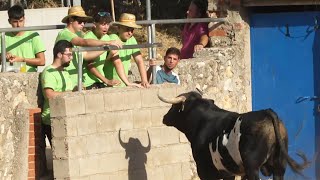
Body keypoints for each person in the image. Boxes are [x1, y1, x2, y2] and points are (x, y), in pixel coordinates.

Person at [56, 6, 122, 87]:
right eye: (80, 21)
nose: (83, 24)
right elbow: (84, 42)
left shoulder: (79, 34)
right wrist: (108, 42)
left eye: (85, 21)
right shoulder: (65, 33)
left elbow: (86, 56)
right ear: (71, 20)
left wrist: (106, 47)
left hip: (76, 79)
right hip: (64, 77)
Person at [40, 40, 75, 176]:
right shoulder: (49, 72)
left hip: (67, 117)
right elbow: (49, 94)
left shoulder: (65, 72)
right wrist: (68, 95)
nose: (71, 58)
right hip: (52, 119)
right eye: (69, 55)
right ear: (59, 55)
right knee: (59, 156)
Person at [105, 13, 149, 88]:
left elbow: (139, 60)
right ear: (119, 27)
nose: (130, 33)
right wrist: (128, 83)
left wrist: (144, 80)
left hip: (123, 84)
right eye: (127, 29)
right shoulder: (113, 38)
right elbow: (117, 62)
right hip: (110, 84)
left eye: (132, 30)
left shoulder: (132, 39)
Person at [82, 11, 121, 89]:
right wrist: (106, 81)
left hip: (100, 81)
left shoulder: (106, 37)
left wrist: (111, 53)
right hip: (89, 83)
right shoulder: (88, 38)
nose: (106, 27)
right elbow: (89, 65)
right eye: (103, 24)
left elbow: (104, 61)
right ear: (95, 24)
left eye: (107, 24)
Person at [2, 4, 46, 72]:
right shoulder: (2, 36)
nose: (18, 25)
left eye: (21, 21)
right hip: (9, 77)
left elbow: (42, 61)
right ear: (9, 21)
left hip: (29, 77)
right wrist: (4, 56)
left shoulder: (33, 35)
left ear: (24, 19)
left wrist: (22, 60)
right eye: (15, 22)